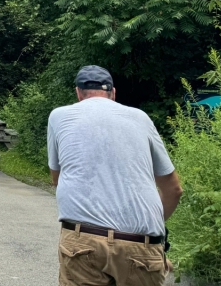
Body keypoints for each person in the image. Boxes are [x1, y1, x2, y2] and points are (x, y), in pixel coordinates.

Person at [48, 65, 183, 286]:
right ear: (113, 93)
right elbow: (173, 190)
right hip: (141, 244)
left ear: (78, 93)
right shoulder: (141, 118)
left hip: (83, 241)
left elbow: (57, 179)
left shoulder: (59, 116)